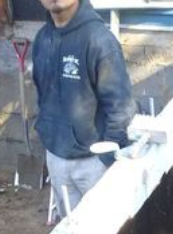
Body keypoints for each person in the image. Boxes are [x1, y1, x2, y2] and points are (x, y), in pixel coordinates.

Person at [33, 0, 137, 217]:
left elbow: (121, 107)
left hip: (93, 164)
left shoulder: (99, 40)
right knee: (70, 232)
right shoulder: (42, 39)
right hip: (56, 159)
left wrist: (106, 159)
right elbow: (42, 95)